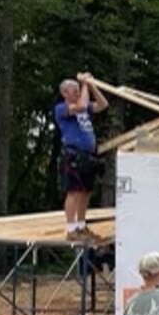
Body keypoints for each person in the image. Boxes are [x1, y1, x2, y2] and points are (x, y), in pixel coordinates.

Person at [54, 73, 109, 241]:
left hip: (87, 155)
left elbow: (103, 104)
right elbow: (82, 106)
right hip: (73, 155)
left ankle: (81, 225)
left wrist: (92, 85)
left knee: (86, 191)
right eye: (74, 90)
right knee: (74, 192)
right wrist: (84, 84)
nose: (78, 93)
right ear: (65, 93)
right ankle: (71, 229)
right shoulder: (62, 109)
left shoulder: (84, 107)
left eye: (79, 90)